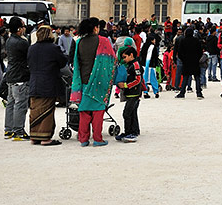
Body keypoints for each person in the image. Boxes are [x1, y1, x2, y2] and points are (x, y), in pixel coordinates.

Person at [71, 17, 117, 147]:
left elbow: (77, 62)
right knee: (98, 110)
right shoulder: (103, 41)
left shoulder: (79, 42)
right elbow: (112, 60)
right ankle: (98, 138)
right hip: (99, 80)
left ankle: (84, 139)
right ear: (95, 28)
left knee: (84, 110)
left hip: (84, 79)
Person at [26, 25, 66, 146]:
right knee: (47, 110)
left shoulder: (32, 48)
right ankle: (45, 137)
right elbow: (63, 62)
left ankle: (34, 136)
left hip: (34, 82)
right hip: (49, 82)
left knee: (35, 109)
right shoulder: (54, 48)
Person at [4, 17, 31, 140]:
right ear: (19, 29)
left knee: (11, 103)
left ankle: (8, 129)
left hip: (11, 75)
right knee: (20, 104)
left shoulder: (9, 40)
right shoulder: (22, 42)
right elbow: (29, 56)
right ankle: (19, 130)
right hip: (20, 75)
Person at [116, 45, 142, 142]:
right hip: (131, 93)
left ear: (131, 55)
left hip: (134, 93)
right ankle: (133, 131)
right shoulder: (130, 65)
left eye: (125, 57)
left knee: (126, 113)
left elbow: (138, 79)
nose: (124, 59)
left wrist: (126, 85)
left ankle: (130, 133)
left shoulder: (135, 65)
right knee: (132, 113)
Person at [176, 25, 204, 99]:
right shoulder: (196, 41)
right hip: (195, 61)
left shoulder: (183, 41)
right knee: (197, 78)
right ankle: (199, 93)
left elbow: (180, 52)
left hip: (186, 62)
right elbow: (200, 51)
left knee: (185, 78)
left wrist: (183, 59)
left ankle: (182, 92)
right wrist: (197, 58)